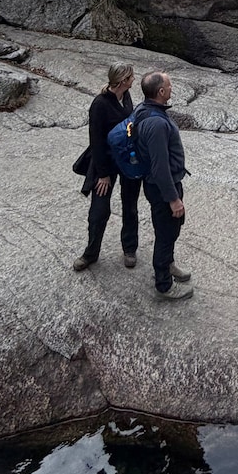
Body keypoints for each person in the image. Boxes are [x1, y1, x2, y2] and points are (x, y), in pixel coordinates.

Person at [130, 70, 194, 301]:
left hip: (161, 185)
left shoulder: (144, 109)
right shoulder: (156, 123)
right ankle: (164, 284)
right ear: (160, 92)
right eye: (169, 85)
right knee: (166, 233)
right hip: (162, 188)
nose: (171, 88)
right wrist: (173, 199)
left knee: (170, 228)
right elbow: (160, 167)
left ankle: (168, 265)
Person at [73, 63, 142, 272]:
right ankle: (90, 254)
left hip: (127, 160)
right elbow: (96, 141)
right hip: (105, 163)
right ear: (122, 81)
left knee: (130, 205)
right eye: (131, 78)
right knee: (99, 210)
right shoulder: (100, 104)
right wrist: (102, 175)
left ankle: (129, 248)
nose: (133, 81)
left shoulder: (127, 97)